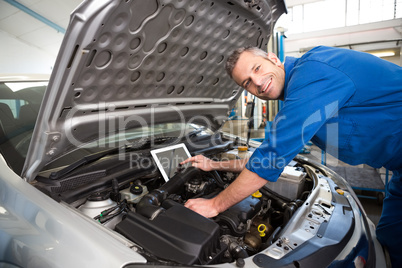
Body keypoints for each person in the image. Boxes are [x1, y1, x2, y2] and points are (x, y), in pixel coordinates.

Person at [181, 46, 402, 267]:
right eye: (246, 82)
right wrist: (215, 164)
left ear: (274, 59)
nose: (256, 82)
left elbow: (271, 157)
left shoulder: (313, 73)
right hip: (398, 168)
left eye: (257, 68)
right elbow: (271, 155)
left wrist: (215, 205)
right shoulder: (301, 89)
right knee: (391, 239)